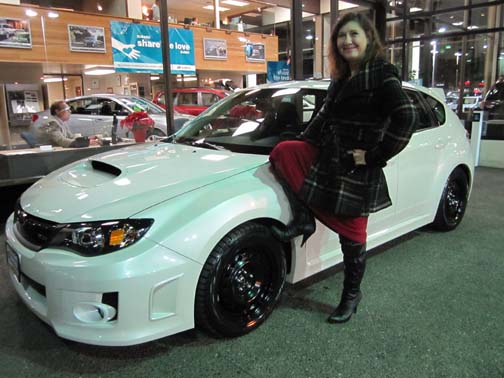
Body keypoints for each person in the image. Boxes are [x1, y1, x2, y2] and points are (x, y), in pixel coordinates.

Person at [269, 12, 418, 324]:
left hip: (355, 163)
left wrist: (374, 156)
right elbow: (323, 116)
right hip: (328, 154)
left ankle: (351, 294)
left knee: (352, 237)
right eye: (341, 36)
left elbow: (407, 117)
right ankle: (304, 219)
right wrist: (303, 141)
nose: (347, 41)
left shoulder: (381, 73)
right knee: (284, 152)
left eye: (354, 35)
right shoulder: (341, 77)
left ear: (367, 39)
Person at [33, 101, 99, 148]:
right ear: (57, 111)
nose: (70, 111)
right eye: (67, 109)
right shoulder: (52, 123)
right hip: (49, 154)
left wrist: (87, 138)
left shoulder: (61, 122)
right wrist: (87, 143)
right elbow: (62, 141)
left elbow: (71, 136)